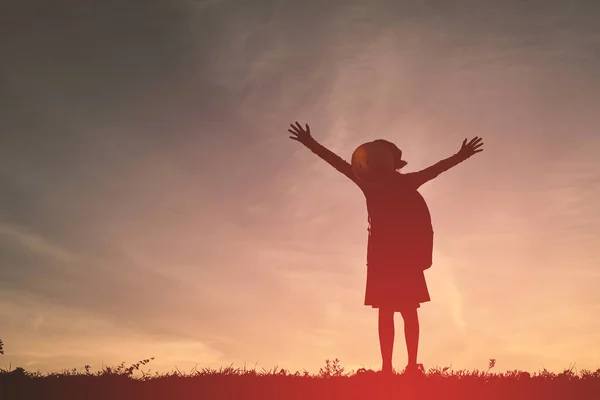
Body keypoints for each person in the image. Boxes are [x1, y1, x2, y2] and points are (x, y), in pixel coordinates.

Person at [287, 121, 484, 375]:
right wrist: (310, 143)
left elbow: (436, 169)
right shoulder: (376, 183)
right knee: (394, 312)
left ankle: (404, 366)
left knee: (401, 312)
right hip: (390, 258)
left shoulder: (384, 184)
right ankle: (391, 368)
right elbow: (337, 163)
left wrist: (460, 156)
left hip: (396, 258)